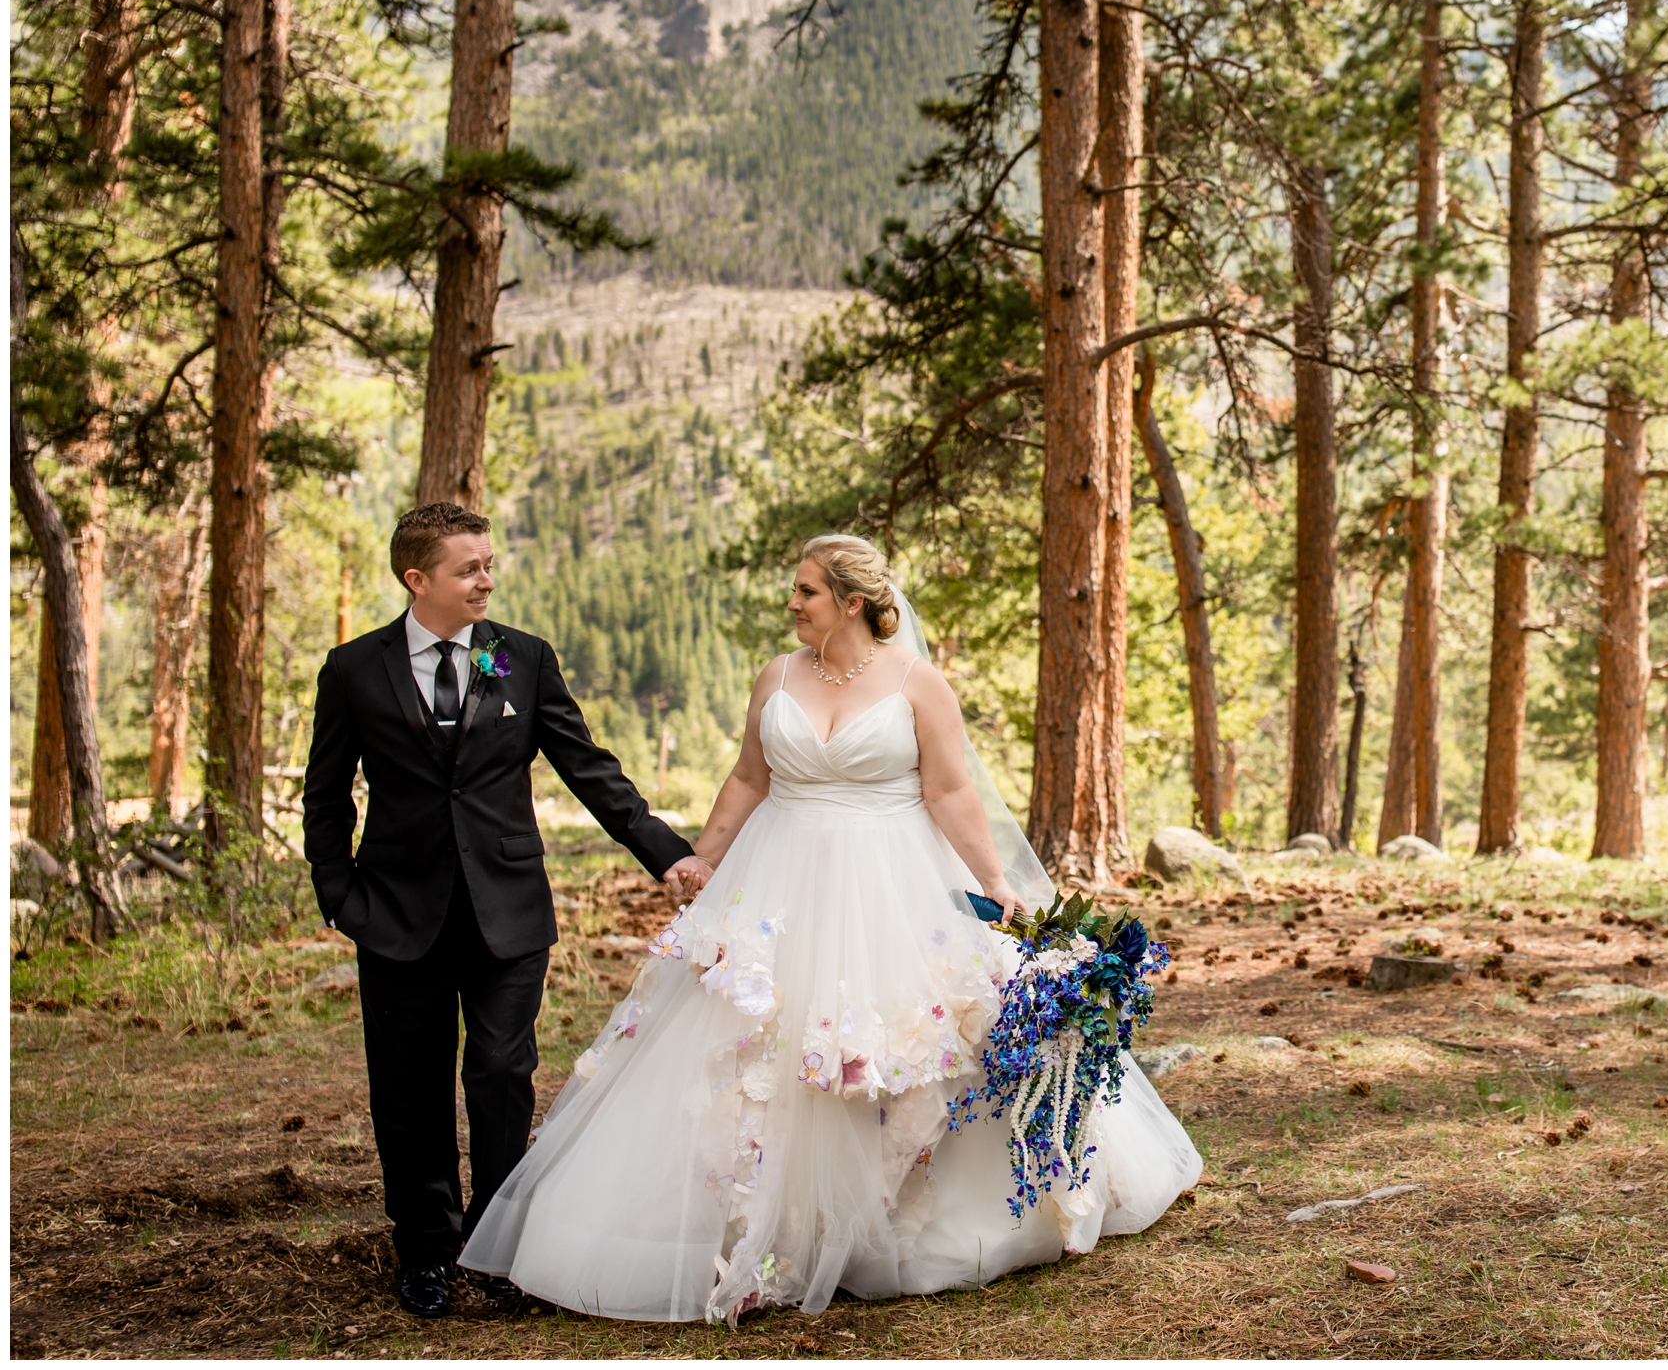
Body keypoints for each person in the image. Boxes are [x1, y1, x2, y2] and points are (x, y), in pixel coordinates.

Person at [458, 534, 1201, 1321]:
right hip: (778, 878)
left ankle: (885, 1212)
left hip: (891, 881)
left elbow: (949, 792)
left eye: (806, 591)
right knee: (754, 1040)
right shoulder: (776, 675)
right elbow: (749, 775)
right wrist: (700, 863)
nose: (792, 603)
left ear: (850, 601)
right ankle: (758, 1216)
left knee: (892, 1045)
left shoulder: (919, 683)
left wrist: (992, 879)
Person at [302, 502, 709, 1319]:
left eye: (489, 563)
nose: (486, 578)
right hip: (395, 915)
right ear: (419, 579)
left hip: (508, 913)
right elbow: (325, 795)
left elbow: (590, 769)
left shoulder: (522, 659)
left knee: (500, 1075)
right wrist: (340, 896)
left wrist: (670, 853)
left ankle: (496, 1244)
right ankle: (424, 1249)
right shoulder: (353, 669)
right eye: (468, 568)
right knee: (408, 1090)